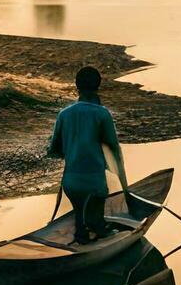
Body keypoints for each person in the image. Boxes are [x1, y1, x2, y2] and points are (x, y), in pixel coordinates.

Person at [47, 66, 128, 244]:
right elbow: (114, 149)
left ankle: (81, 235)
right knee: (97, 226)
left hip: (70, 183)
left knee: (80, 219)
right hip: (94, 184)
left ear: (77, 86)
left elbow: (54, 150)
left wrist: (73, 149)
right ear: (98, 86)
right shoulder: (102, 114)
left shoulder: (64, 114)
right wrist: (124, 186)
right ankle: (94, 235)